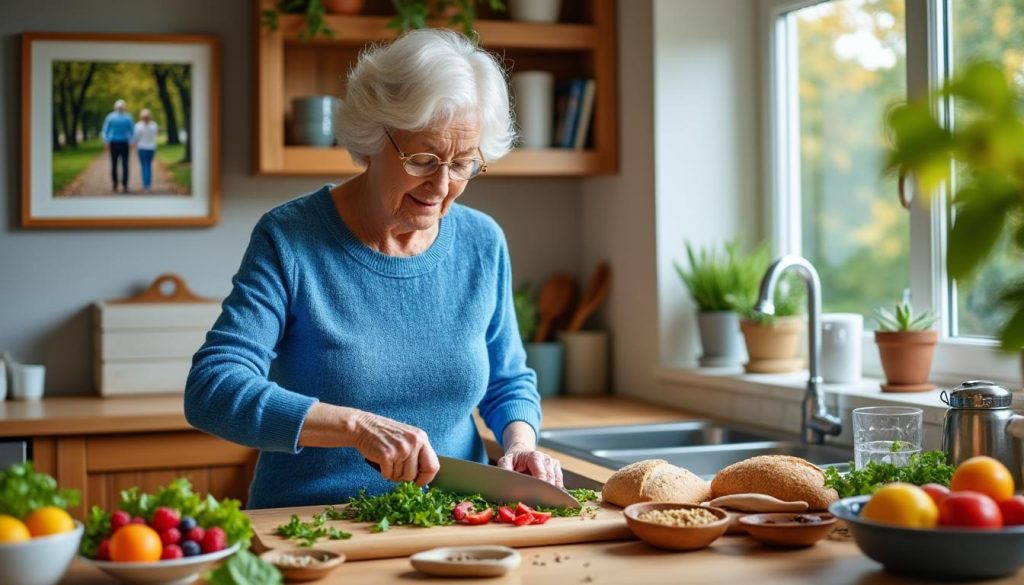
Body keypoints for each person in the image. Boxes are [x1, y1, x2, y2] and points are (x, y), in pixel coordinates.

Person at [185, 29, 562, 509]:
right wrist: (355, 427)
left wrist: (521, 443)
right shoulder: (290, 238)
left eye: (463, 163)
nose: (442, 185)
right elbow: (212, 389)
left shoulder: (482, 242)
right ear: (371, 136)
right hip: (313, 522)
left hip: (453, 520)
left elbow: (508, 380)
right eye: (423, 159)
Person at [101, 99, 134, 193]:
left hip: (123, 143)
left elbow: (132, 131)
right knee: (115, 164)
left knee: (124, 165)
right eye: (119, 107)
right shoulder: (112, 117)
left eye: (121, 107)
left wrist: (131, 141)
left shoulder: (127, 117)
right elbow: (105, 131)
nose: (120, 108)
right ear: (116, 107)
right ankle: (116, 184)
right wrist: (106, 141)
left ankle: (124, 185)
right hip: (114, 143)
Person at [132, 109, 159, 192]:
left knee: (144, 166)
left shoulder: (138, 126)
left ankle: (145, 184)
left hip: (142, 147)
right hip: (151, 147)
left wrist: (133, 145)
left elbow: (135, 138)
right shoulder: (154, 125)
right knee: (148, 166)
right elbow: (155, 136)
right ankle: (148, 184)